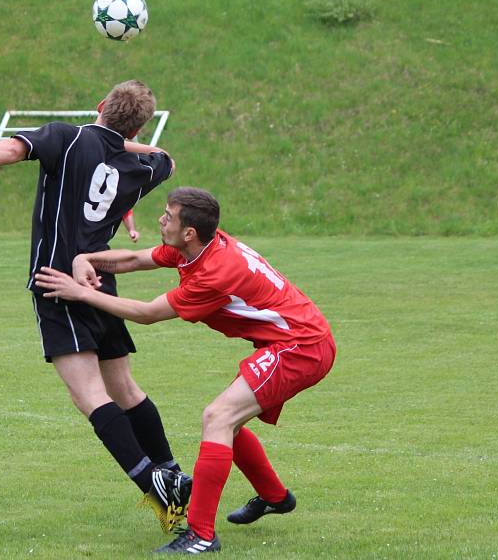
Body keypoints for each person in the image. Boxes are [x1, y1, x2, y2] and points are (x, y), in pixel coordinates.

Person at [0, 80, 192, 532]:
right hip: (102, 280)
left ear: (99, 106)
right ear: (140, 126)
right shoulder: (144, 167)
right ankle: (172, 472)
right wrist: (128, 141)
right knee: (124, 387)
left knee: (89, 395)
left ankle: (157, 489)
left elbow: (9, 149)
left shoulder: (69, 137)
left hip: (57, 281)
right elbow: (166, 158)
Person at [34, 187, 336, 554]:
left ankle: (202, 535)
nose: (161, 220)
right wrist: (88, 259)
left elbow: (147, 314)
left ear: (189, 232)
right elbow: (134, 258)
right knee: (229, 424)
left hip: (300, 347)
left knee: (218, 418)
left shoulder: (215, 272)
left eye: (167, 216)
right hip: (296, 341)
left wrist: (80, 292)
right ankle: (275, 496)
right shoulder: (198, 247)